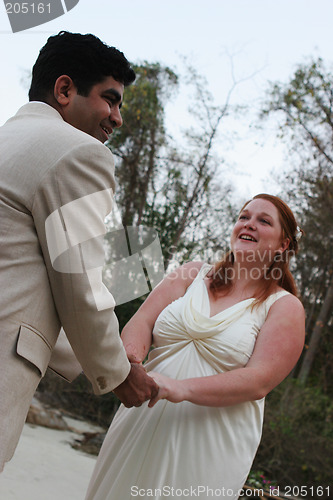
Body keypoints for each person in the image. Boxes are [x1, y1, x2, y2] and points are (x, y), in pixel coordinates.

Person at [0, 31, 157, 472]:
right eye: (110, 99)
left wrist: (93, 362)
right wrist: (119, 374)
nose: (117, 117)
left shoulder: (8, 141)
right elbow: (79, 286)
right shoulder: (78, 153)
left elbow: (30, 283)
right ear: (65, 89)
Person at [85, 194, 305, 500]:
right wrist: (131, 364)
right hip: (141, 417)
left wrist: (180, 388)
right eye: (244, 217)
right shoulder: (192, 273)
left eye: (263, 221)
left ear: (283, 245)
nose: (249, 224)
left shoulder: (284, 306)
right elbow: (142, 321)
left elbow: (259, 380)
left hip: (209, 440)